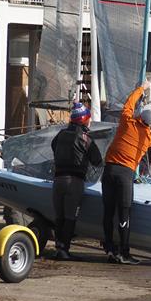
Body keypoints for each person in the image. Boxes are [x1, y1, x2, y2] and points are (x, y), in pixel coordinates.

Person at [101, 80, 151, 264]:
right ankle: (124, 252)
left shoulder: (126, 121)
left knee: (108, 211)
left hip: (109, 170)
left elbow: (129, 102)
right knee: (124, 214)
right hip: (125, 175)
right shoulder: (148, 136)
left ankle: (109, 249)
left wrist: (142, 88)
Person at [50, 102, 103, 260]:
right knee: (70, 217)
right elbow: (98, 161)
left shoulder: (60, 135)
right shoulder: (86, 139)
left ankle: (58, 247)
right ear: (84, 120)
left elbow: (54, 147)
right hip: (74, 183)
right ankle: (64, 249)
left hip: (58, 180)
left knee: (59, 217)